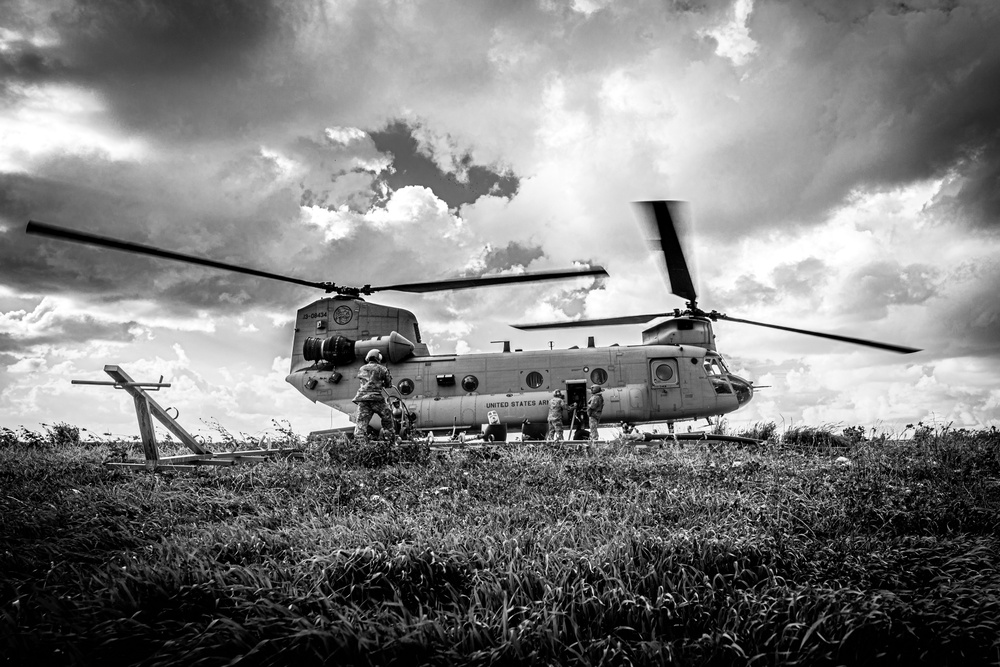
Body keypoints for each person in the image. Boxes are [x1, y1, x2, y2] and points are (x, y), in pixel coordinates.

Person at [353, 350, 394, 444]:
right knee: (387, 416)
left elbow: (365, 380)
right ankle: (389, 440)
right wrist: (383, 383)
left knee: (361, 423)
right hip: (376, 399)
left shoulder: (362, 368)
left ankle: (360, 445)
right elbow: (388, 384)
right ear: (378, 358)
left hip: (362, 399)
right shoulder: (382, 369)